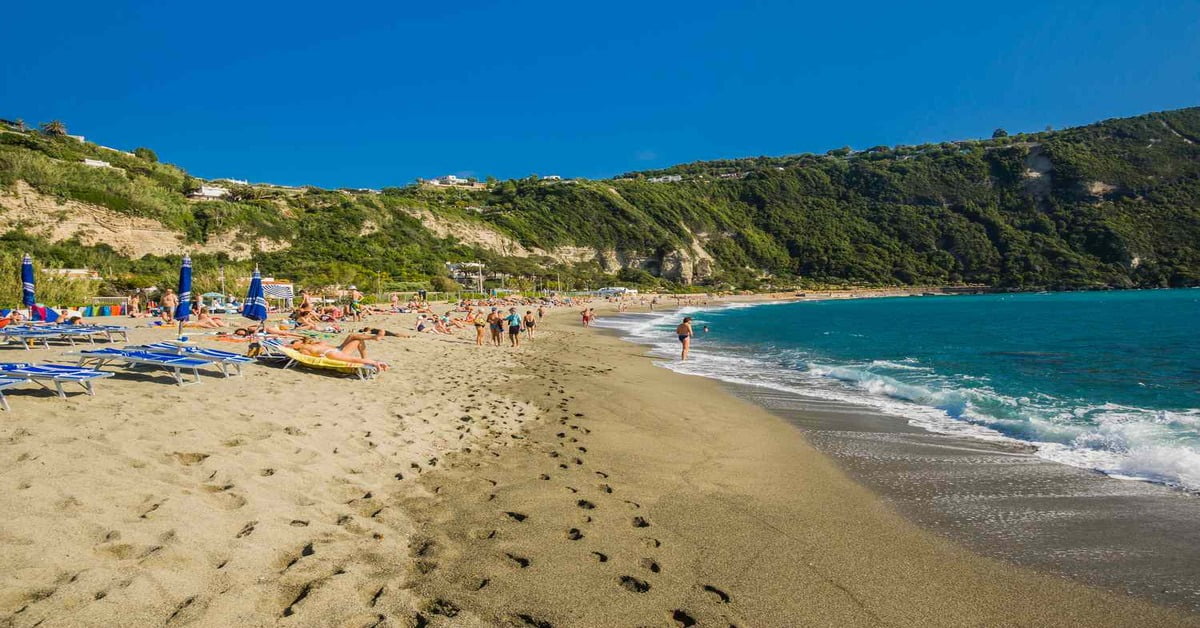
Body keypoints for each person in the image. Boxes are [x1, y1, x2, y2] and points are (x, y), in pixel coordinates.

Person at [288, 335, 389, 371]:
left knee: (357, 340)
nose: (298, 341)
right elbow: (308, 357)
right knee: (354, 358)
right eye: (295, 342)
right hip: (329, 353)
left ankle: (369, 361)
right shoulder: (302, 349)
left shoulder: (310, 344)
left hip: (334, 351)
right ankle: (375, 363)